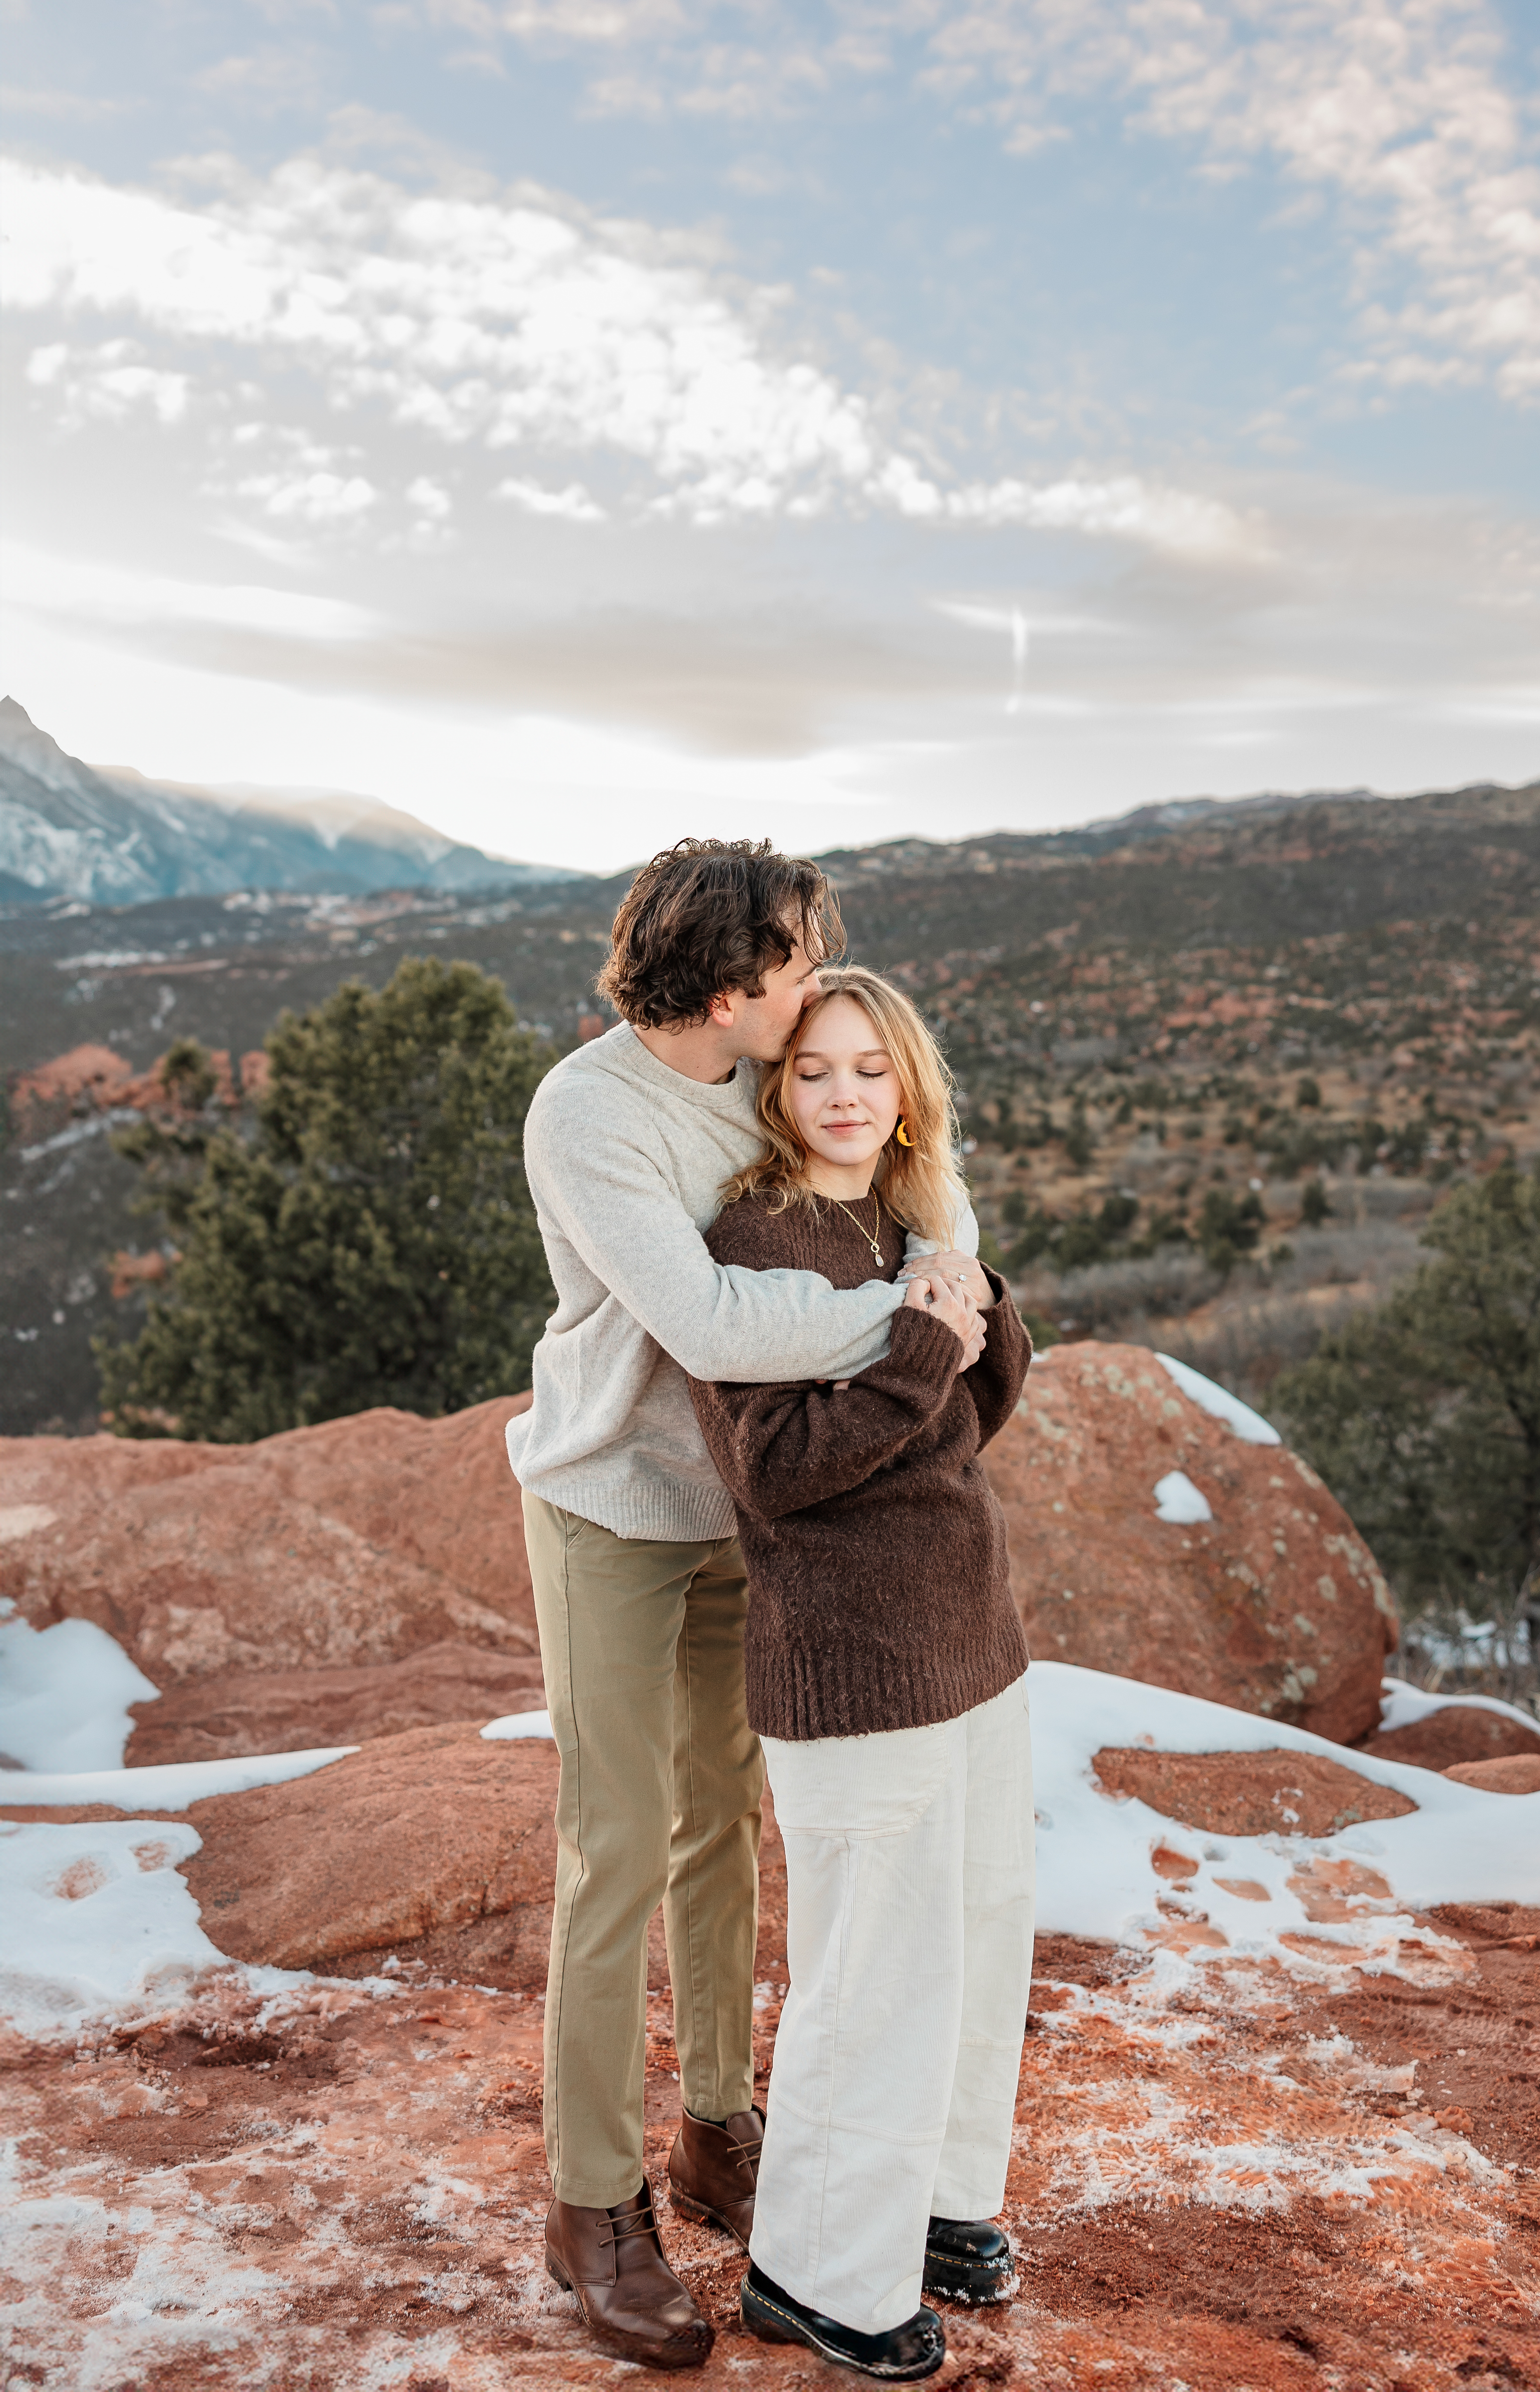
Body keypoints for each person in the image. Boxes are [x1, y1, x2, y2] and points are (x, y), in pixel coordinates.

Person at [504, 841, 988, 2372]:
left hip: (749, 1507)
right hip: (611, 1508)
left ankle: (720, 2130)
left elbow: (907, 1185)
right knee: (618, 1845)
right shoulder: (588, 1116)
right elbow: (711, 1319)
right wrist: (911, 1320)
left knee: (727, 1822)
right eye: (796, 955)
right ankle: (594, 2203)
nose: (816, 971)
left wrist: (948, 1270)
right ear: (731, 988)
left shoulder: (766, 1070)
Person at [686, 965, 1035, 2384]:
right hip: (852, 1658)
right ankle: (815, 2270)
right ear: (778, 1084)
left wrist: (978, 1304)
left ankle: (939, 2205)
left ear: (908, 1092)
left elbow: (972, 1410)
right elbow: (771, 1474)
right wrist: (918, 1347)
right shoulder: (750, 1238)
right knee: (874, 1970)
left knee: (976, 1933)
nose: (843, 1095)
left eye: (870, 1071)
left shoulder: (906, 1212)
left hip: (973, 1633)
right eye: (816, 1068)